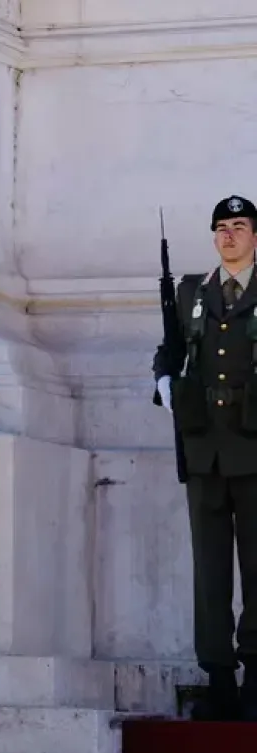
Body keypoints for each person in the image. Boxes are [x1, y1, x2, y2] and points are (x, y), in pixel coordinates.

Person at [153, 194, 257, 722]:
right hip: (204, 450)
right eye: (221, 227)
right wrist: (164, 379)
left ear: (255, 236)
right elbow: (169, 351)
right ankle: (218, 674)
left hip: (254, 447)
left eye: (239, 226)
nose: (229, 236)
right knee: (209, 569)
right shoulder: (193, 291)